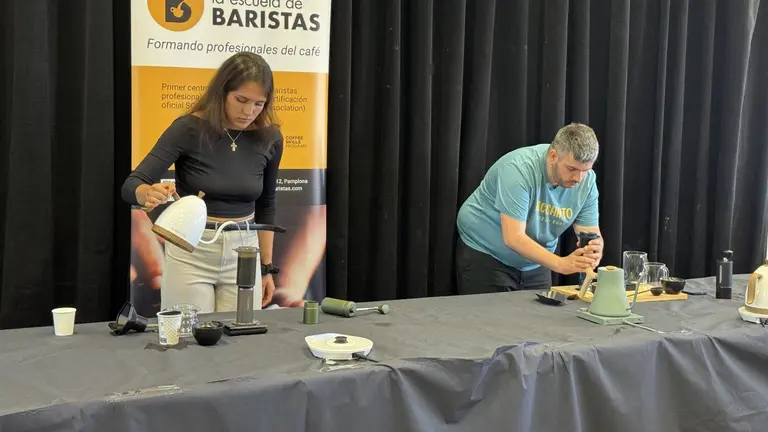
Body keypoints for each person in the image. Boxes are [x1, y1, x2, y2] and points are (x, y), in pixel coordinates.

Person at [121, 52, 284, 313]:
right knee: (188, 340)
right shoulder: (189, 128)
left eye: (258, 104)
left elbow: (267, 204)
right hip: (191, 250)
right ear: (222, 92)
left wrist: (266, 268)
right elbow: (132, 185)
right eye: (241, 100)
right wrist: (146, 193)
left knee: (240, 342)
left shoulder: (270, 138)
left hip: (244, 250)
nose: (248, 112)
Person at [455, 123, 604, 293]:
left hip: (536, 262)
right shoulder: (518, 169)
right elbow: (513, 238)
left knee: (538, 317)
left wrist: (595, 248)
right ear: (553, 156)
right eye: (572, 169)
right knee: (493, 319)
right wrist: (561, 264)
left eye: (585, 170)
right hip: (487, 252)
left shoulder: (587, 181)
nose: (578, 178)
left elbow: (590, 231)